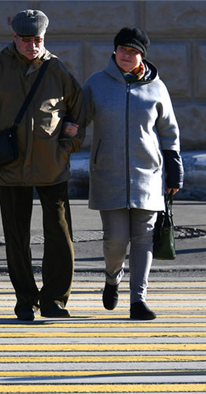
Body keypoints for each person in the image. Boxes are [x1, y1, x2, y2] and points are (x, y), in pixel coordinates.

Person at [0, 10, 84, 321]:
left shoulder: (57, 69)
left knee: (59, 235)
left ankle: (55, 300)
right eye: (26, 40)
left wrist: (67, 146)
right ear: (14, 38)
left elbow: (79, 112)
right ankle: (25, 300)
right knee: (16, 237)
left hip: (51, 165)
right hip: (10, 166)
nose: (32, 46)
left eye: (38, 40)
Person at [82, 27, 183, 320]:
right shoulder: (96, 84)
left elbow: (169, 132)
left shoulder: (157, 88)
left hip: (148, 175)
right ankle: (113, 278)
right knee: (115, 240)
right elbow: (79, 119)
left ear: (142, 56)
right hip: (108, 175)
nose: (127, 55)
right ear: (115, 52)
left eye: (133, 51)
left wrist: (174, 167)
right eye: (123, 50)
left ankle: (138, 300)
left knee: (144, 238)